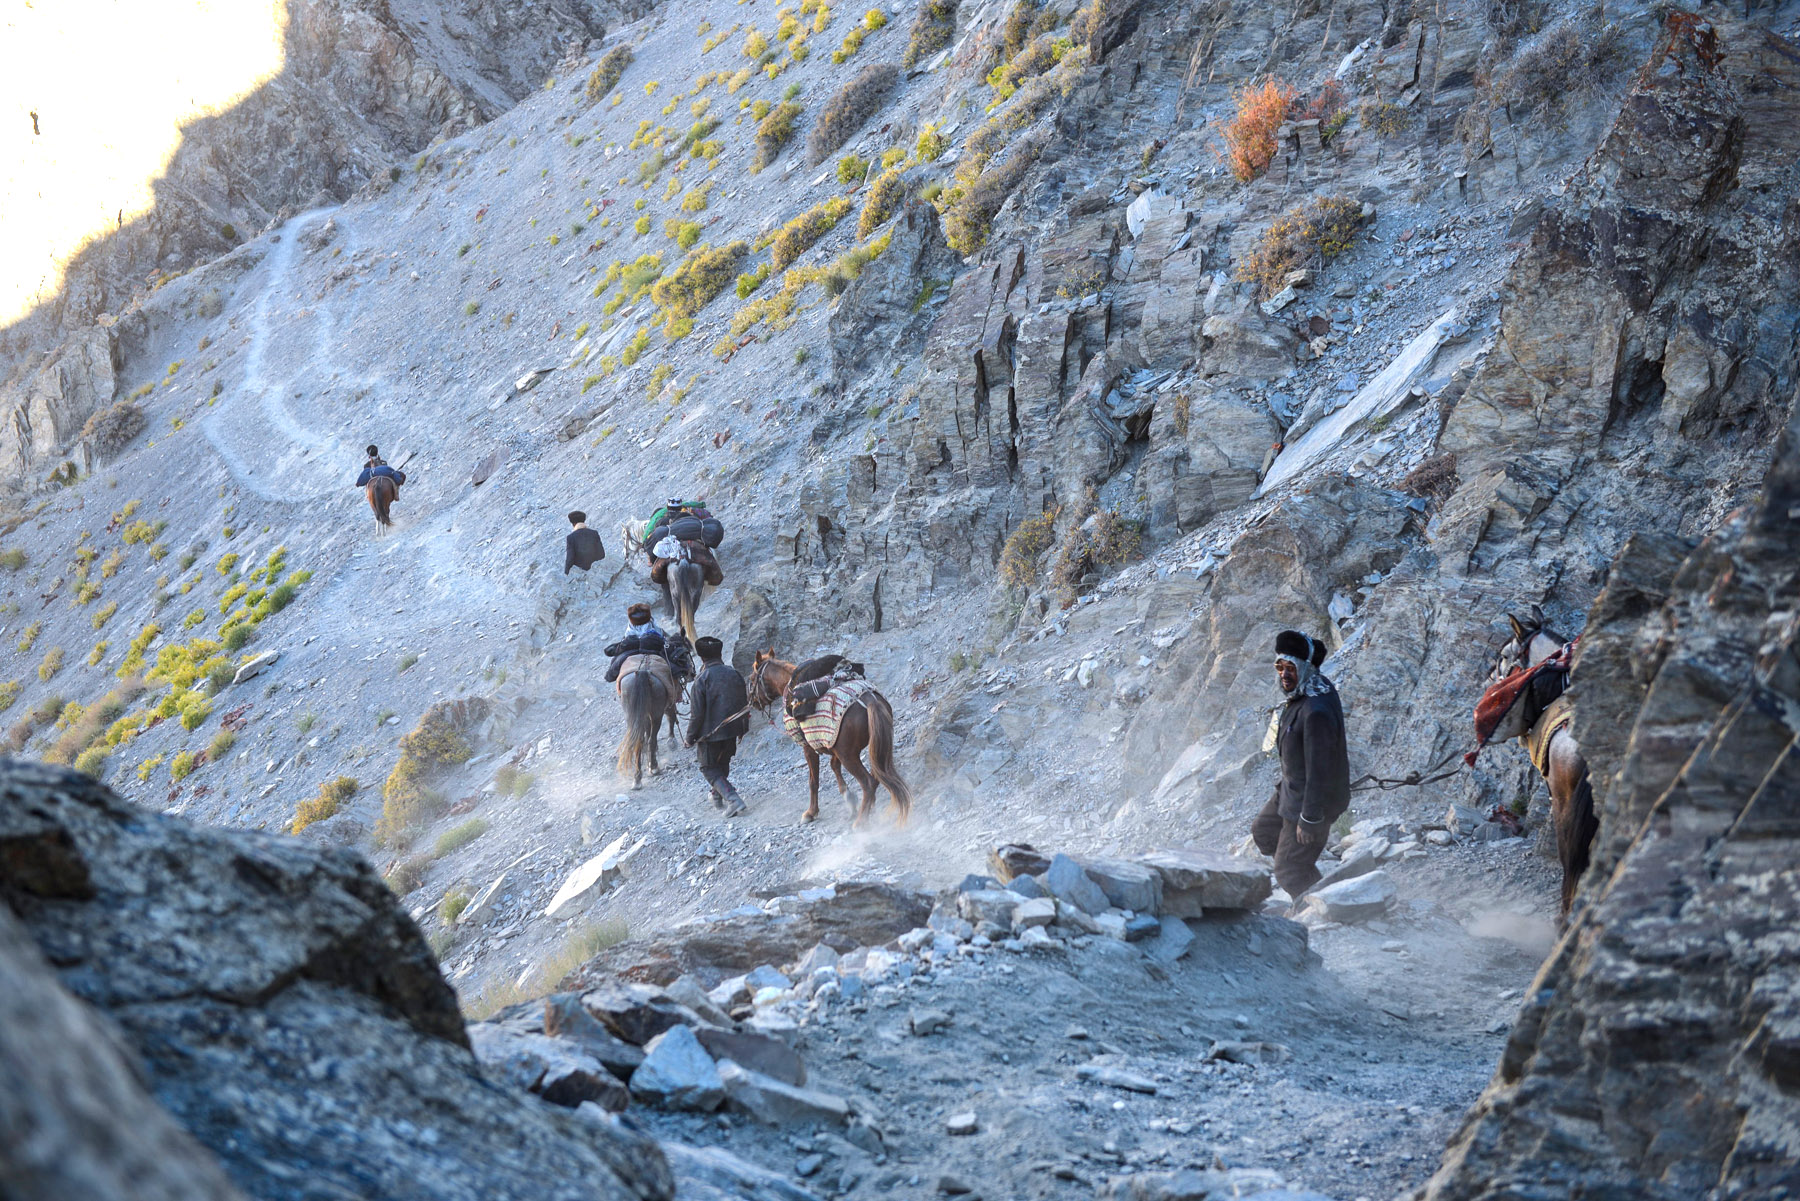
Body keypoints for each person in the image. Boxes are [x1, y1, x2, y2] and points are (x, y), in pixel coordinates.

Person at [1250, 630, 1350, 901]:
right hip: (1291, 790)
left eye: (1291, 667)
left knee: (1289, 870)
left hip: (1312, 801)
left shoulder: (1315, 711)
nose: (1284, 674)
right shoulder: (1308, 689)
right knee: (1263, 831)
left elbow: (1321, 772)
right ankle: (1307, 872)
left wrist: (1310, 820)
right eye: (1280, 666)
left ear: (1305, 667)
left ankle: (1326, 907)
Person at [685, 636, 750, 816]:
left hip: (711, 734)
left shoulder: (701, 679)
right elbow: (744, 701)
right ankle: (717, 795)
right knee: (723, 763)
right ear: (720, 653)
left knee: (708, 767)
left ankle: (733, 799)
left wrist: (690, 737)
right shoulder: (734, 673)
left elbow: (696, 714)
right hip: (733, 729)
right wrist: (742, 728)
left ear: (701, 657)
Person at [603, 603, 669, 683]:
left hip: (630, 649)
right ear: (649, 618)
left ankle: (610, 676)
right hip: (654, 648)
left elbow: (610, 651)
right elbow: (668, 641)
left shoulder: (628, 641)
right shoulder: (656, 635)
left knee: (615, 661)